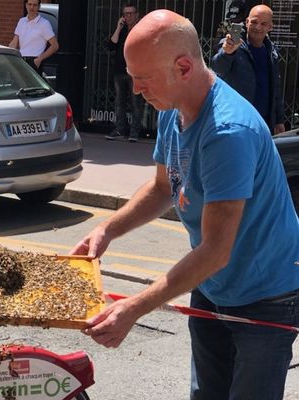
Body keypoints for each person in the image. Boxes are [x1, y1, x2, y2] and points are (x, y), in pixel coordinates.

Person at [71, 9, 299, 400]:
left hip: (266, 298)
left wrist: (134, 308)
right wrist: (106, 229)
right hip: (212, 286)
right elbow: (162, 188)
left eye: (143, 78)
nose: (136, 88)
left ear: (183, 66)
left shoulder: (228, 132)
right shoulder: (171, 107)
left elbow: (215, 249)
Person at [212, 5, 285, 135]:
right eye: (254, 22)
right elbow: (218, 69)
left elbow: (276, 88)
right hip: (238, 123)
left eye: (263, 24)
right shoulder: (232, 45)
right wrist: (227, 53)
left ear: (270, 27)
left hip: (264, 125)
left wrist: (279, 120)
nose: (258, 27)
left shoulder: (271, 52)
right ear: (246, 22)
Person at [105, 3, 144, 142]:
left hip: (135, 71)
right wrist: (118, 27)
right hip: (119, 70)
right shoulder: (121, 29)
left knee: (136, 102)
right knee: (119, 102)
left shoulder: (141, 29)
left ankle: (134, 132)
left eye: (131, 13)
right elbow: (111, 45)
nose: (128, 16)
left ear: (137, 15)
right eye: (125, 14)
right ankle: (120, 129)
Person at [8, 0, 58, 73]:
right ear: (26, 5)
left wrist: (39, 59)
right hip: (20, 60)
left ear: (39, 7)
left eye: (35, 5)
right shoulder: (21, 21)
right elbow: (14, 43)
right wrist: (7, 55)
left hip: (34, 62)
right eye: (30, 4)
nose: (32, 7)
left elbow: (55, 46)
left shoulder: (44, 24)